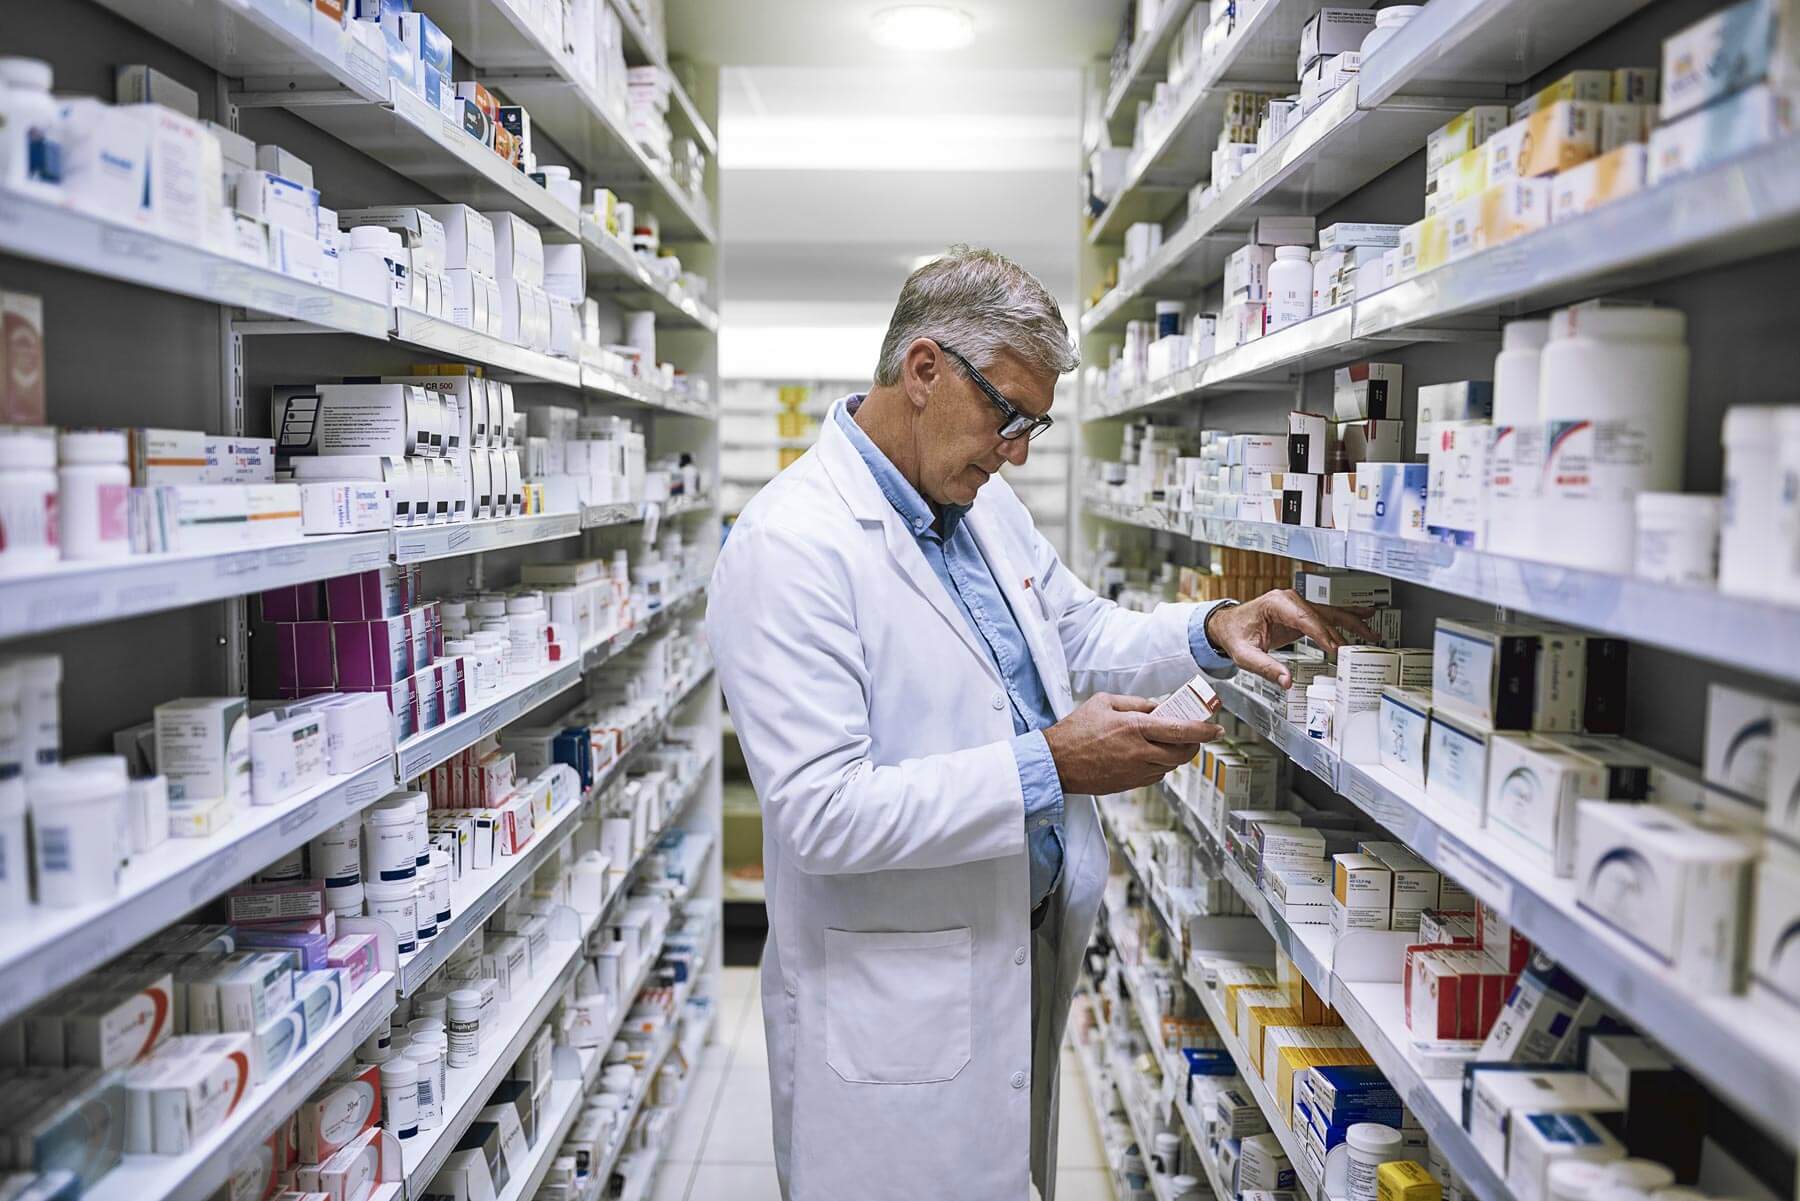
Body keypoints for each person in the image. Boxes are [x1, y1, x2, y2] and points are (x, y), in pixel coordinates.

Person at [707, 246, 1373, 1201]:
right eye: (1007, 415)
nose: (1016, 448)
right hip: (893, 1003)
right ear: (924, 369)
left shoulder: (978, 503)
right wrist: (1050, 766)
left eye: (1035, 425)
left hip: (1017, 950)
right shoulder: (790, 546)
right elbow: (822, 813)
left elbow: (1076, 629)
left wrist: (1210, 629)